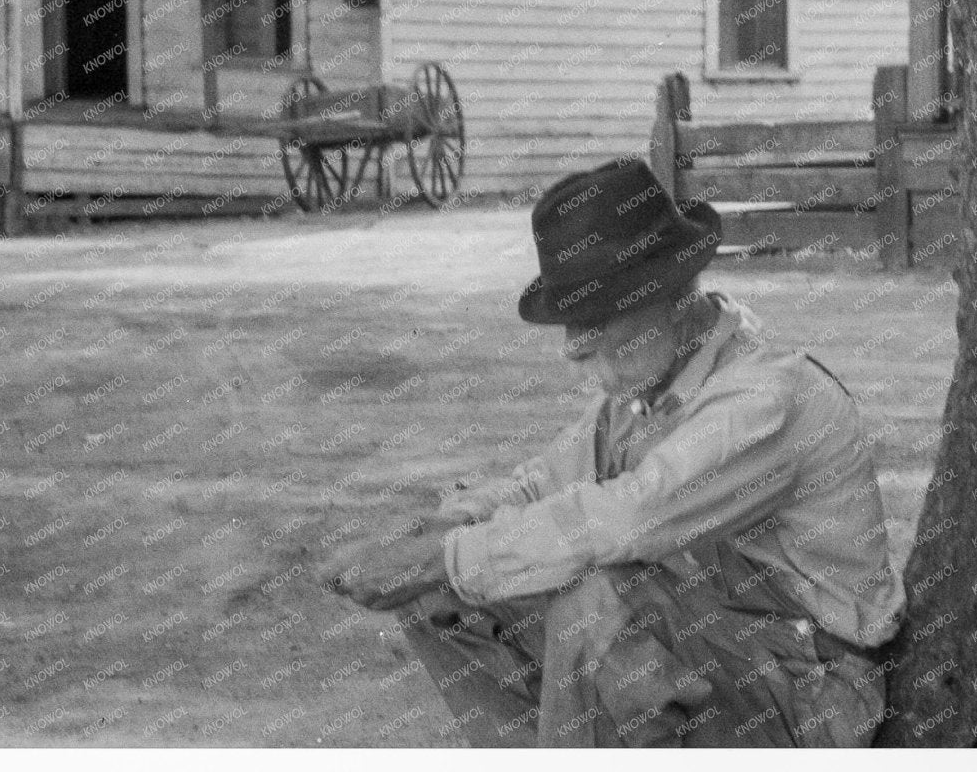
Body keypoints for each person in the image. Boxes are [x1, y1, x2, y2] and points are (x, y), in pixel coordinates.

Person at [321, 156, 903, 747]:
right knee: (443, 599)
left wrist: (442, 556)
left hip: (814, 688)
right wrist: (428, 537)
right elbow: (544, 487)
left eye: (599, 326)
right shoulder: (651, 384)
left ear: (673, 297)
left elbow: (628, 518)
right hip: (732, 648)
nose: (577, 349)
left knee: (594, 600)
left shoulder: (766, 398)